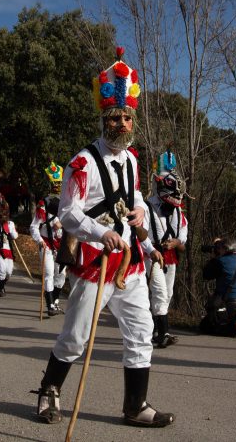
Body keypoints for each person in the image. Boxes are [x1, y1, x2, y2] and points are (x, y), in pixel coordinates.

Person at [33, 47, 174, 428]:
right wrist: (101, 232)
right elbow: (68, 213)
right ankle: (49, 391)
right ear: (103, 119)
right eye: (115, 118)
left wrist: (141, 214)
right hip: (96, 261)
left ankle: (135, 405)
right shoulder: (81, 163)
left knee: (141, 331)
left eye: (127, 118)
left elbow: (136, 197)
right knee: (76, 337)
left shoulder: (132, 159)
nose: (122, 125)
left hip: (130, 262)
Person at [144, 149, 187, 348]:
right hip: (152, 256)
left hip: (170, 257)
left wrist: (177, 242)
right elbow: (140, 233)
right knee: (159, 292)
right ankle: (163, 334)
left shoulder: (178, 211)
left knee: (167, 293)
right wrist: (151, 250)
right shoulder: (146, 208)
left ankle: (155, 330)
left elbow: (183, 232)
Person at [30, 162, 66, 316]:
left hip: (62, 246)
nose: (57, 186)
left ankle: (55, 302)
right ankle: (50, 305)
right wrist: (40, 241)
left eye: (59, 183)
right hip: (46, 245)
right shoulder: (43, 204)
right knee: (49, 273)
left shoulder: (66, 203)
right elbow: (34, 227)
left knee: (61, 275)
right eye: (54, 183)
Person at [201, 237, 236, 338]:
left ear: (224, 249)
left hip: (229, 306)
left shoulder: (221, 261)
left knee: (205, 326)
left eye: (219, 248)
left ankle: (234, 330)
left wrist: (214, 257)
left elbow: (206, 274)